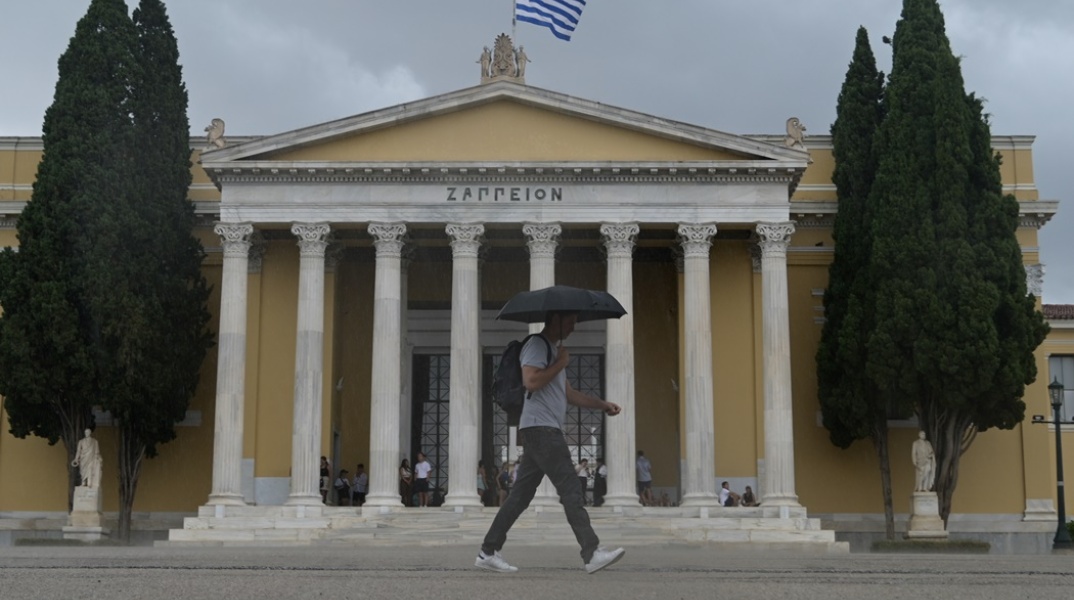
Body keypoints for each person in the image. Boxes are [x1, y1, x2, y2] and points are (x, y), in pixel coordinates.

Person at [475, 311, 626, 575]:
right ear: (556, 319)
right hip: (542, 429)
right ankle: (592, 552)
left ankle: (487, 551)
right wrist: (561, 362)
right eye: (570, 321)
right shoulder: (537, 344)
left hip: (541, 429)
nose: (573, 327)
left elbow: (569, 394)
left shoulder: (552, 351)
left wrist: (602, 405)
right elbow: (531, 381)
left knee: (519, 497)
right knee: (570, 487)